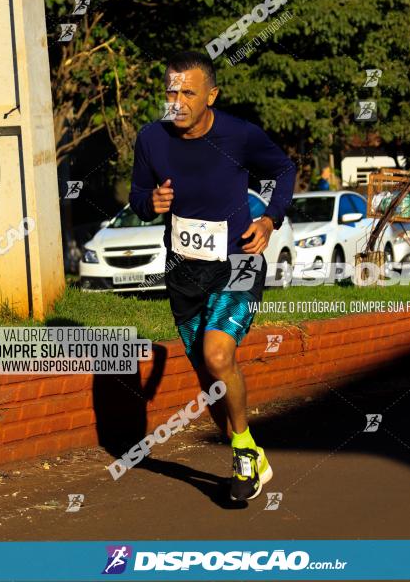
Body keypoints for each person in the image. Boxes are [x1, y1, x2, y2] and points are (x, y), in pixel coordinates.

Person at [129, 51, 296, 501]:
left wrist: (269, 221)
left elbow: (283, 169)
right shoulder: (151, 138)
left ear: (211, 96)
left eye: (188, 92)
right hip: (183, 270)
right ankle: (250, 451)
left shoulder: (239, 135)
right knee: (209, 378)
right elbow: (138, 193)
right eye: (171, 91)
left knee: (218, 354)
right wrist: (151, 203)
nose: (177, 101)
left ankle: (242, 452)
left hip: (239, 259)